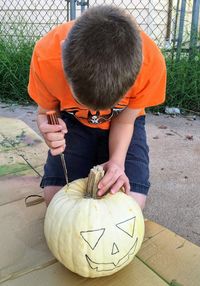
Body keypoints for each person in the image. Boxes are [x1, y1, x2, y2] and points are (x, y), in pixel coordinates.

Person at [28, 5, 166, 209]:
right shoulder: (46, 56)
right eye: (83, 101)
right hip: (73, 122)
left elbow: (126, 120)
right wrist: (49, 127)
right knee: (55, 200)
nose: (95, 115)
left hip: (123, 122)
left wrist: (117, 162)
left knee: (131, 203)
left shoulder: (151, 63)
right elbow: (47, 111)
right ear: (63, 54)